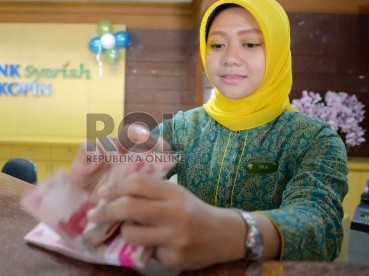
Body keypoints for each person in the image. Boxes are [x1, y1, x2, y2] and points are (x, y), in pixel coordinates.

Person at [73, 0, 348, 270]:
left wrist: (239, 234)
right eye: (217, 45)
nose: (229, 58)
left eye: (250, 44)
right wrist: (106, 186)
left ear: (277, 51)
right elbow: (133, 177)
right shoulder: (183, 127)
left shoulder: (313, 139)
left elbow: (321, 226)